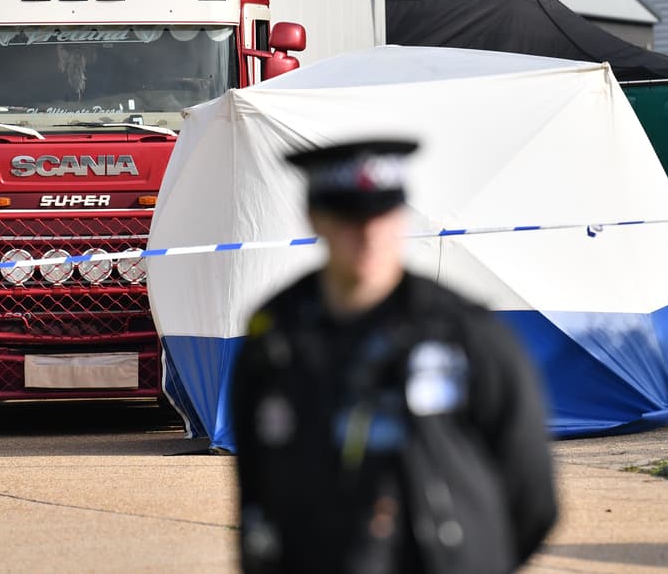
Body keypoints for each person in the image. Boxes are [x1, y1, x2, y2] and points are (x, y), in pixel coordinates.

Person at [230, 138, 558, 574]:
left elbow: (531, 495)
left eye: (381, 213)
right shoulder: (274, 339)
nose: (367, 233)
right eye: (347, 216)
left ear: (401, 216)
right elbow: (256, 489)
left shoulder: (466, 334)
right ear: (314, 220)